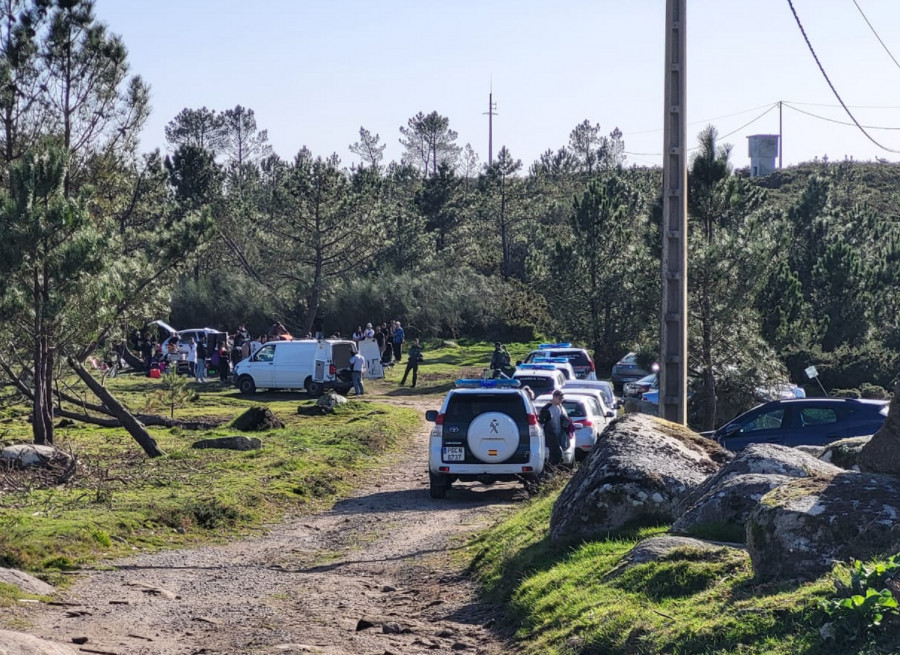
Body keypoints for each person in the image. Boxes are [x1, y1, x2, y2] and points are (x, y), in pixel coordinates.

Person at [538, 389, 573, 468]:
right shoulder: (547, 408)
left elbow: (565, 419)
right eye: (560, 399)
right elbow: (541, 421)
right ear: (554, 397)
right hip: (550, 435)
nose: (561, 401)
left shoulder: (560, 407)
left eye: (562, 399)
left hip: (559, 435)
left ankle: (552, 470)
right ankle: (550, 470)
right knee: (556, 453)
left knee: (557, 454)